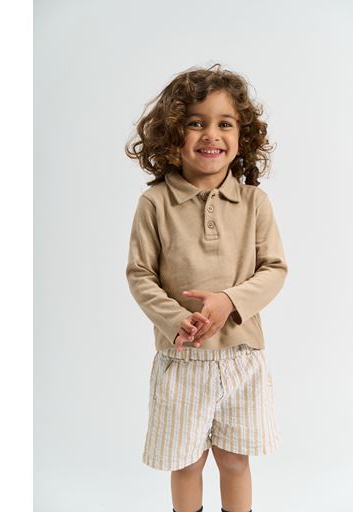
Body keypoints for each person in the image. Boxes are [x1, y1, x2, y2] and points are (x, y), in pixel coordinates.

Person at [124, 63, 289, 512]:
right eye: (196, 123)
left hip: (242, 359)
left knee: (235, 461)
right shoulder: (155, 203)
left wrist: (229, 301)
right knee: (187, 462)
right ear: (172, 133)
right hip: (182, 360)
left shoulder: (255, 203)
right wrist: (177, 318)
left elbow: (274, 268)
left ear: (242, 135)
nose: (210, 134)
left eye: (224, 124)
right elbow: (140, 274)